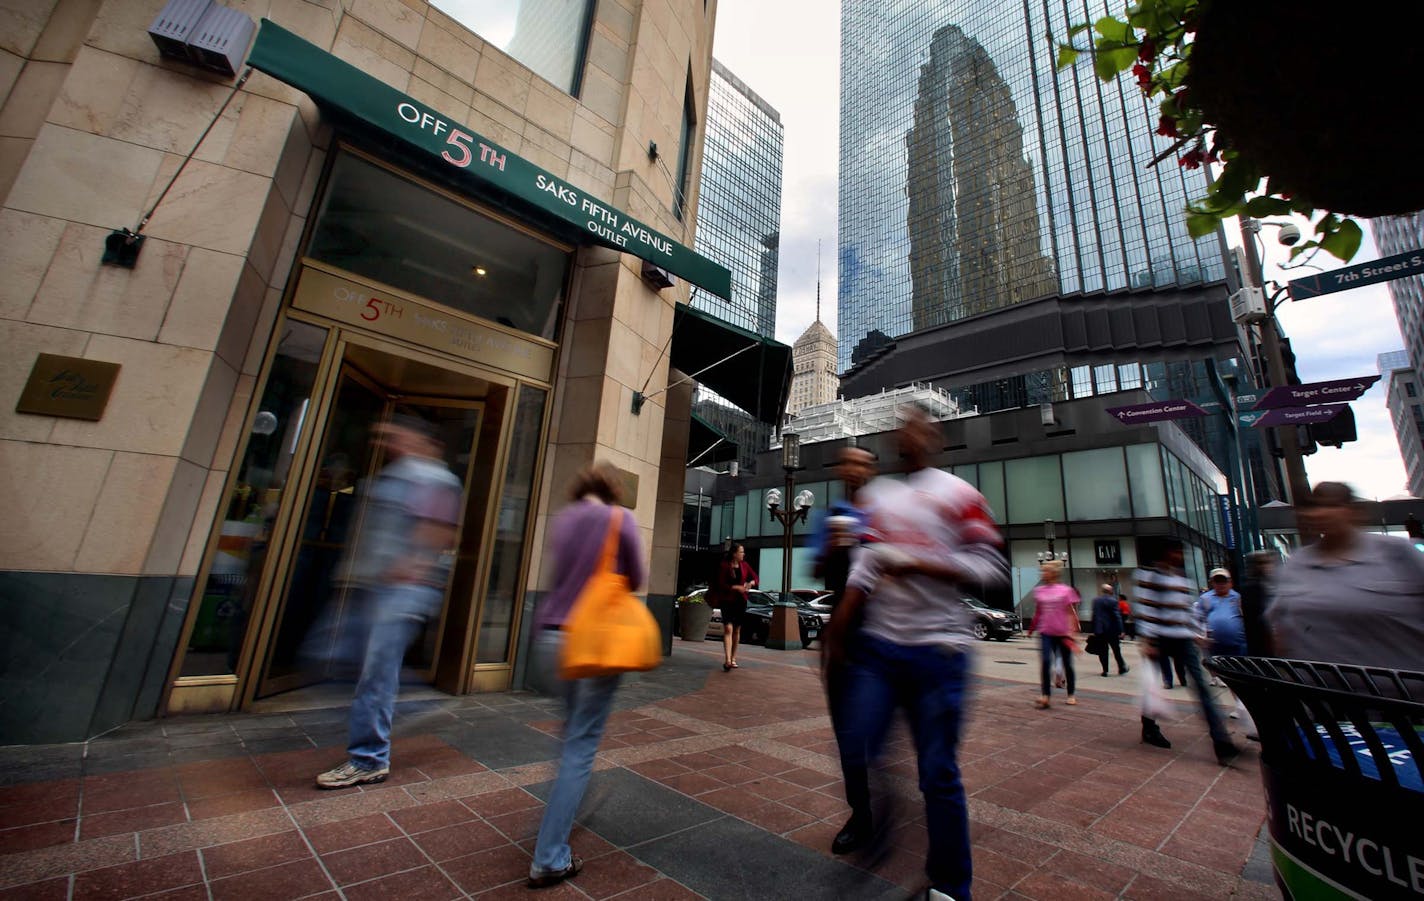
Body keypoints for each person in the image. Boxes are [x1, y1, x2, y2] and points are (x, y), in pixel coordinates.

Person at [824, 405, 1009, 900]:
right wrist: (839, 628)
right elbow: (864, 566)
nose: (910, 432)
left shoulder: (960, 495)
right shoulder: (878, 498)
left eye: (921, 425)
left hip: (940, 651)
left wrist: (921, 564)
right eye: (903, 426)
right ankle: (877, 821)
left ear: (935, 438)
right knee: (859, 741)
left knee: (938, 774)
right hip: (881, 651)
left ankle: (951, 887)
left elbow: (991, 568)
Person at [315, 414, 462, 789]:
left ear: (421, 440)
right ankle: (415, 707)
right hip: (371, 586)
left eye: (393, 436)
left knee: (374, 675)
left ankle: (369, 758)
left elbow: (438, 530)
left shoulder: (434, 478)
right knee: (334, 658)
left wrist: (413, 563)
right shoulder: (395, 476)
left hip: (400, 591)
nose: (385, 443)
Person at [527, 461, 646, 889]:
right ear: (611, 491)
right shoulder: (619, 519)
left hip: (550, 641)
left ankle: (557, 819)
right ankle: (549, 857)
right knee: (580, 746)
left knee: (570, 737)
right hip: (594, 643)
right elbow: (636, 578)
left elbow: (559, 580)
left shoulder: (563, 521)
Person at [1267, 482, 1424, 671]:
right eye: (1314, 506)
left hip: (1399, 692)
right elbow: (1281, 631)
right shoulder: (1296, 563)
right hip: (1320, 693)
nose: (1320, 513)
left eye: (1331, 505)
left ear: (1353, 511)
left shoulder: (1396, 552)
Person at [807, 445, 877, 856]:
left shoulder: (883, 514)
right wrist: (833, 547)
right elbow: (816, 569)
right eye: (847, 461)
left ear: (871, 468)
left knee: (880, 726)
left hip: (880, 631)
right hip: (842, 636)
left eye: (861, 461)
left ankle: (885, 802)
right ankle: (861, 813)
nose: (853, 468)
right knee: (848, 732)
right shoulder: (831, 514)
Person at [1132, 540, 1240, 764]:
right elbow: (1144, 607)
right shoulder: (1149, 575)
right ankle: (1149, 727)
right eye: (1175, 551)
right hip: (1159, 638)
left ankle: (1221, 741)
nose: (1179, 556)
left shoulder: (1181, 577)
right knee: (1152, 685)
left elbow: (1185, 608)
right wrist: (1148, 638)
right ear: (1164, 553)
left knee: (1201, 687)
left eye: (1180, 552)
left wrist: (1195, 634)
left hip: (1182, 638)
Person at [1028, 561, 1081, 708]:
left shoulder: (1065, 590)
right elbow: (1038, 612)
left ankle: (1071, 694)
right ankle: (1046, 695)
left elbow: (1071, 612)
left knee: (1067, 664)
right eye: (1042, 571)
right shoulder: (1039, 591)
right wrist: (1031, 628)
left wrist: (1073, 631)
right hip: (1046, 632)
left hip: (1063, 633)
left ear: (1054, 573)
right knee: (1045, 661)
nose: (1042, 574)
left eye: (1045, 571)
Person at [711, 543, 757, 671]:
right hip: (727, 601)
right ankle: (727, 660)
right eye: (741, 552)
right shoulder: (724, 566)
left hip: (740, 601)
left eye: (743, 552)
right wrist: (736, 587)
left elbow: (755, 577)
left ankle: (733, 658)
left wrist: (751, 583)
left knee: (736, 630)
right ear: (734, 553)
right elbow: (720, 584)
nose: (743, 554)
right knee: (728, 629)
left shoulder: (745, 565)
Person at [1091, 583, 1129, 676]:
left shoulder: (1096, 600)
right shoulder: (1113, 601)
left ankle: (1105, 670)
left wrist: (1094, 628)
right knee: (1116, 650)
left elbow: (1094, 615)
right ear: (1110, 591)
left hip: (1100, 630)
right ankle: (1121, 667)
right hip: (1111, 630)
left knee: (1103, 651)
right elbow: (1117, 617)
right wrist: (1121, 630)